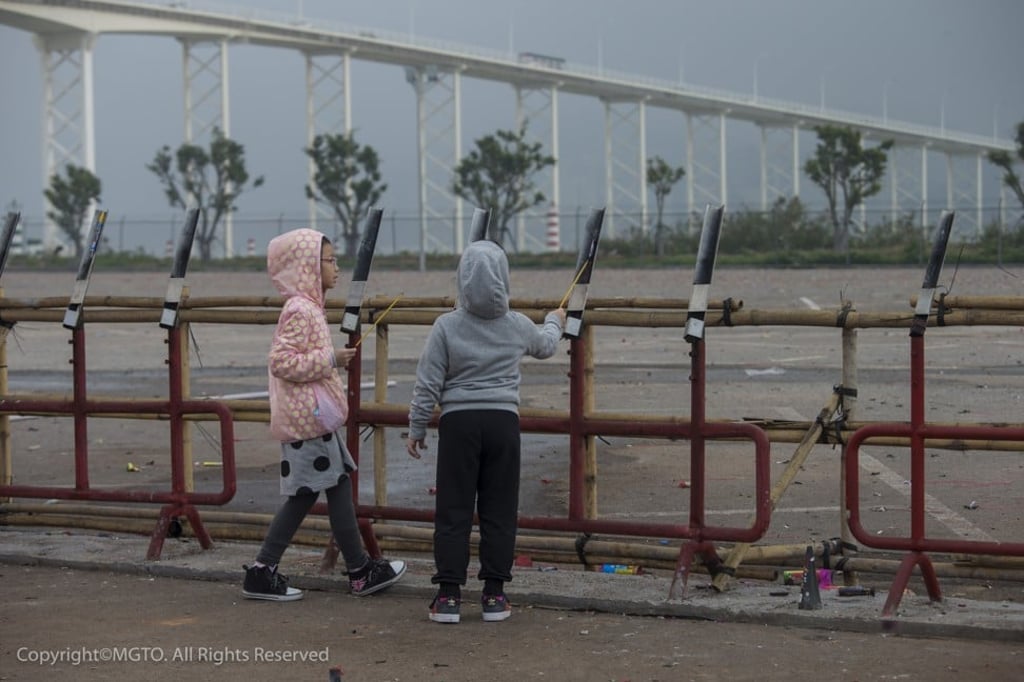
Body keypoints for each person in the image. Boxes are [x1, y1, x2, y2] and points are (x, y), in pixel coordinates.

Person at [405, 239, 566, 623]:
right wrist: (555, 320)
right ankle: (494, 594)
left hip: (459, 423)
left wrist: (416, 427)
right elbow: (545, 347)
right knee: (499, 509)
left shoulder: (446, 326)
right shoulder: (516, 324)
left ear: (462, 280)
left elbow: (427, 382)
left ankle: (448, 596)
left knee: (453, 510)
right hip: (502, 423)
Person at [243, 228, 406, 601]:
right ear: (307, 267)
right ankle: (264, 569)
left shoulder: (308, 308)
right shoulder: (300, 310)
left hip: (314, 418)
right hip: (308, 420)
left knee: (336, 486)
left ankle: (359, 570)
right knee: (306, 494)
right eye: (330, 261)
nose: (337, 269)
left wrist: (329, 360)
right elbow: (281, 362)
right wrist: (330, 359)